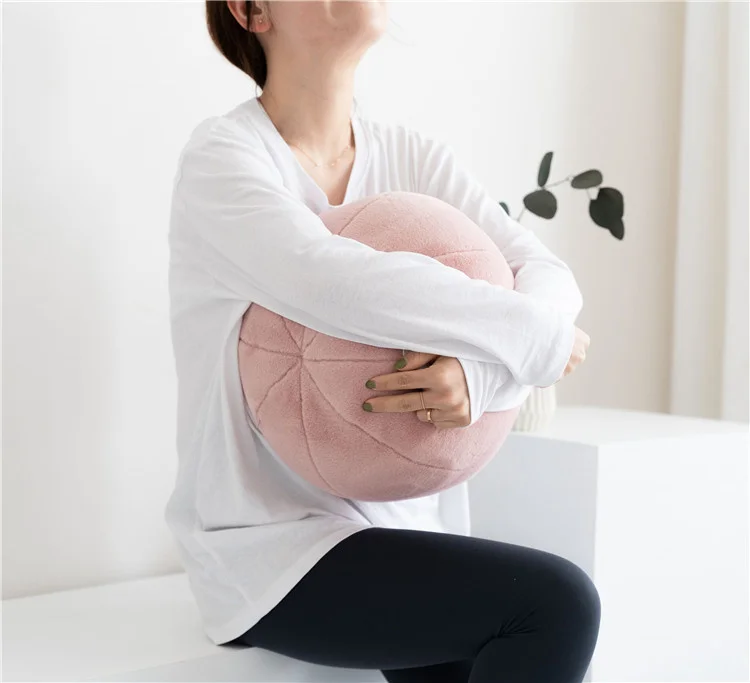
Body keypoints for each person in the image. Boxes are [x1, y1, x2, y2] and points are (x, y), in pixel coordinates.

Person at [164, 1, 597, 681]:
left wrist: (482, 376)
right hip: (272, 552)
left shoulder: (413, 156)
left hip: (404, 527)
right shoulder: (223, 159)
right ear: (252, 10)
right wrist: (535, 339)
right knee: (557, 603)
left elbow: (545, 272)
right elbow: (330, 281)